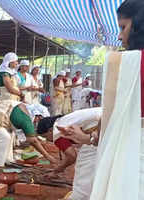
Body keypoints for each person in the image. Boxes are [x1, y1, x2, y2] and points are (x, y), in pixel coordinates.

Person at [89, 1, 144, 199]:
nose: (120, 36)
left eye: (123, 27)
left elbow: (108, 125)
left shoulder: (119, 61)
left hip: (130, 151)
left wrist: (104, 168)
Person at [0, 100, 57, 167]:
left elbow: (29, 138)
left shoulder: (26, 112)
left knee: (8, 140)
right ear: (38, 116)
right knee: (4, 138)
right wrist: (48, 156)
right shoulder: (26, 119)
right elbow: (33, 140)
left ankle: (3, 161)